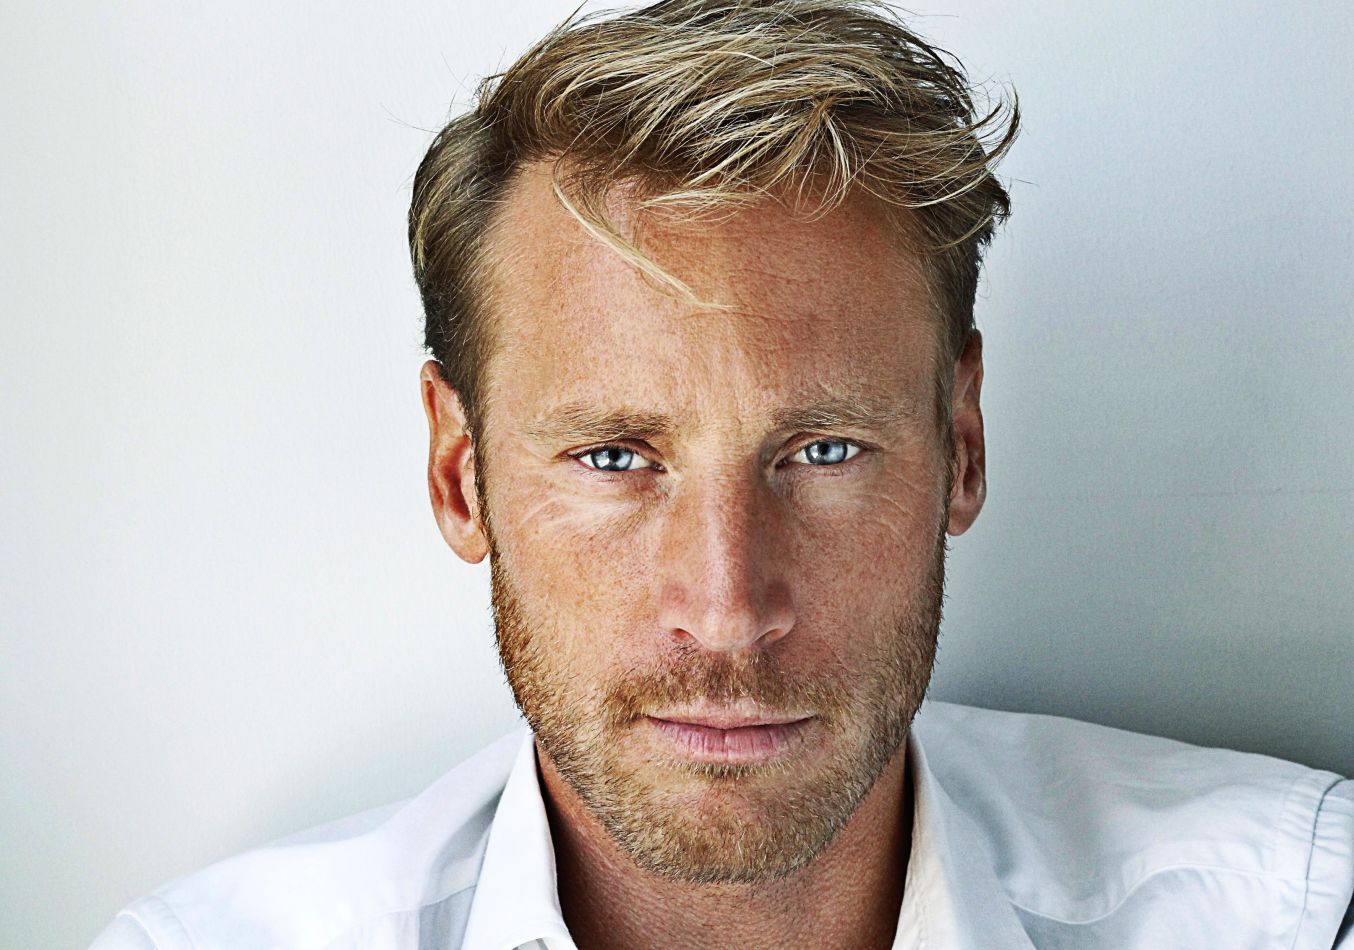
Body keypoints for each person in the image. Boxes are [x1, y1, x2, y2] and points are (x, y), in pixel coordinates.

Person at [91, 1, 1353, 947]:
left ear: (960, 444)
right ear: (460, 475)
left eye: (823, 450)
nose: (729, 606)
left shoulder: (1292, 909)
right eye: (613, 456)